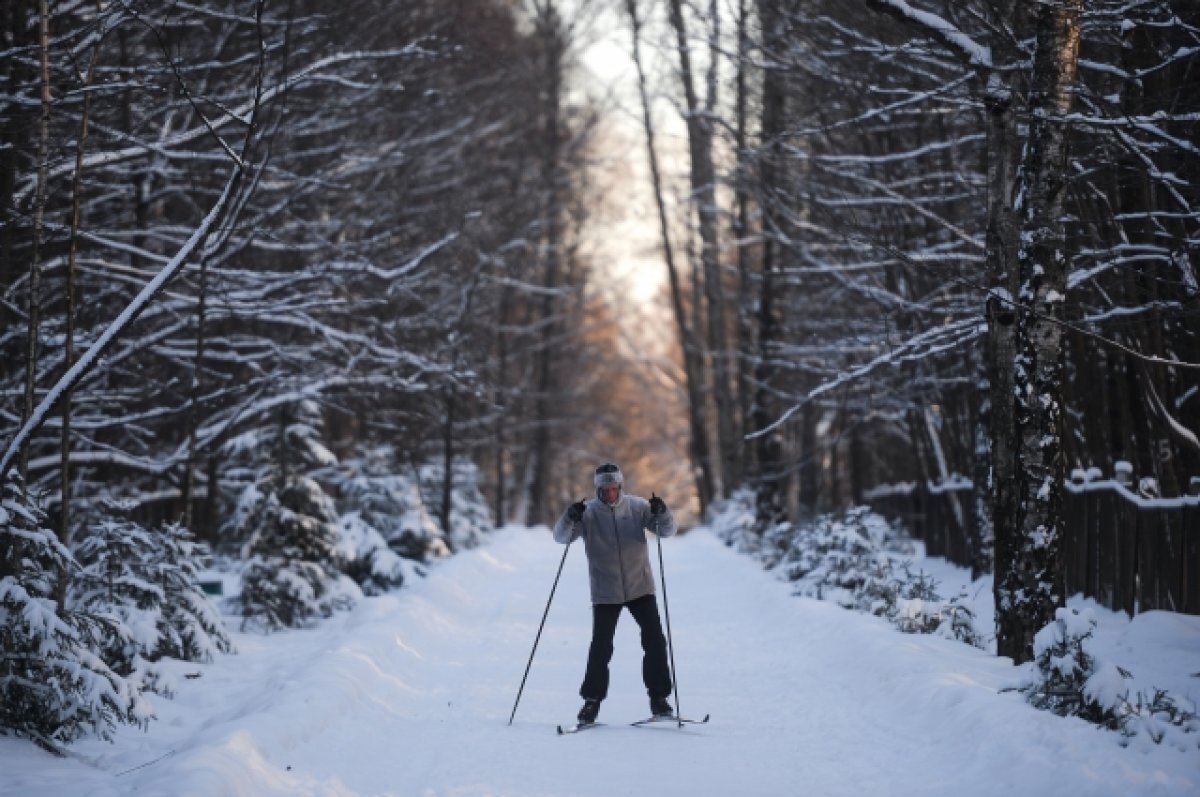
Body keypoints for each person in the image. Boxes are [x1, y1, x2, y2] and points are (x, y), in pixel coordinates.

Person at [553, 461, 678, 724]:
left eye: (614, 488)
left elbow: (667, 531)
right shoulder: (587, 513)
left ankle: (659, 700)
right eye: (605, 489)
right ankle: (591, 702)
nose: (610, 493)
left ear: (620, 486)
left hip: (640, 587)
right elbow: (562, 538)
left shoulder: (638, 507)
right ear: (598, 489)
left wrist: (662, 512)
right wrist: (569, 516)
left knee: (655, 641)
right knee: (601, 648)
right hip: (605, 591)